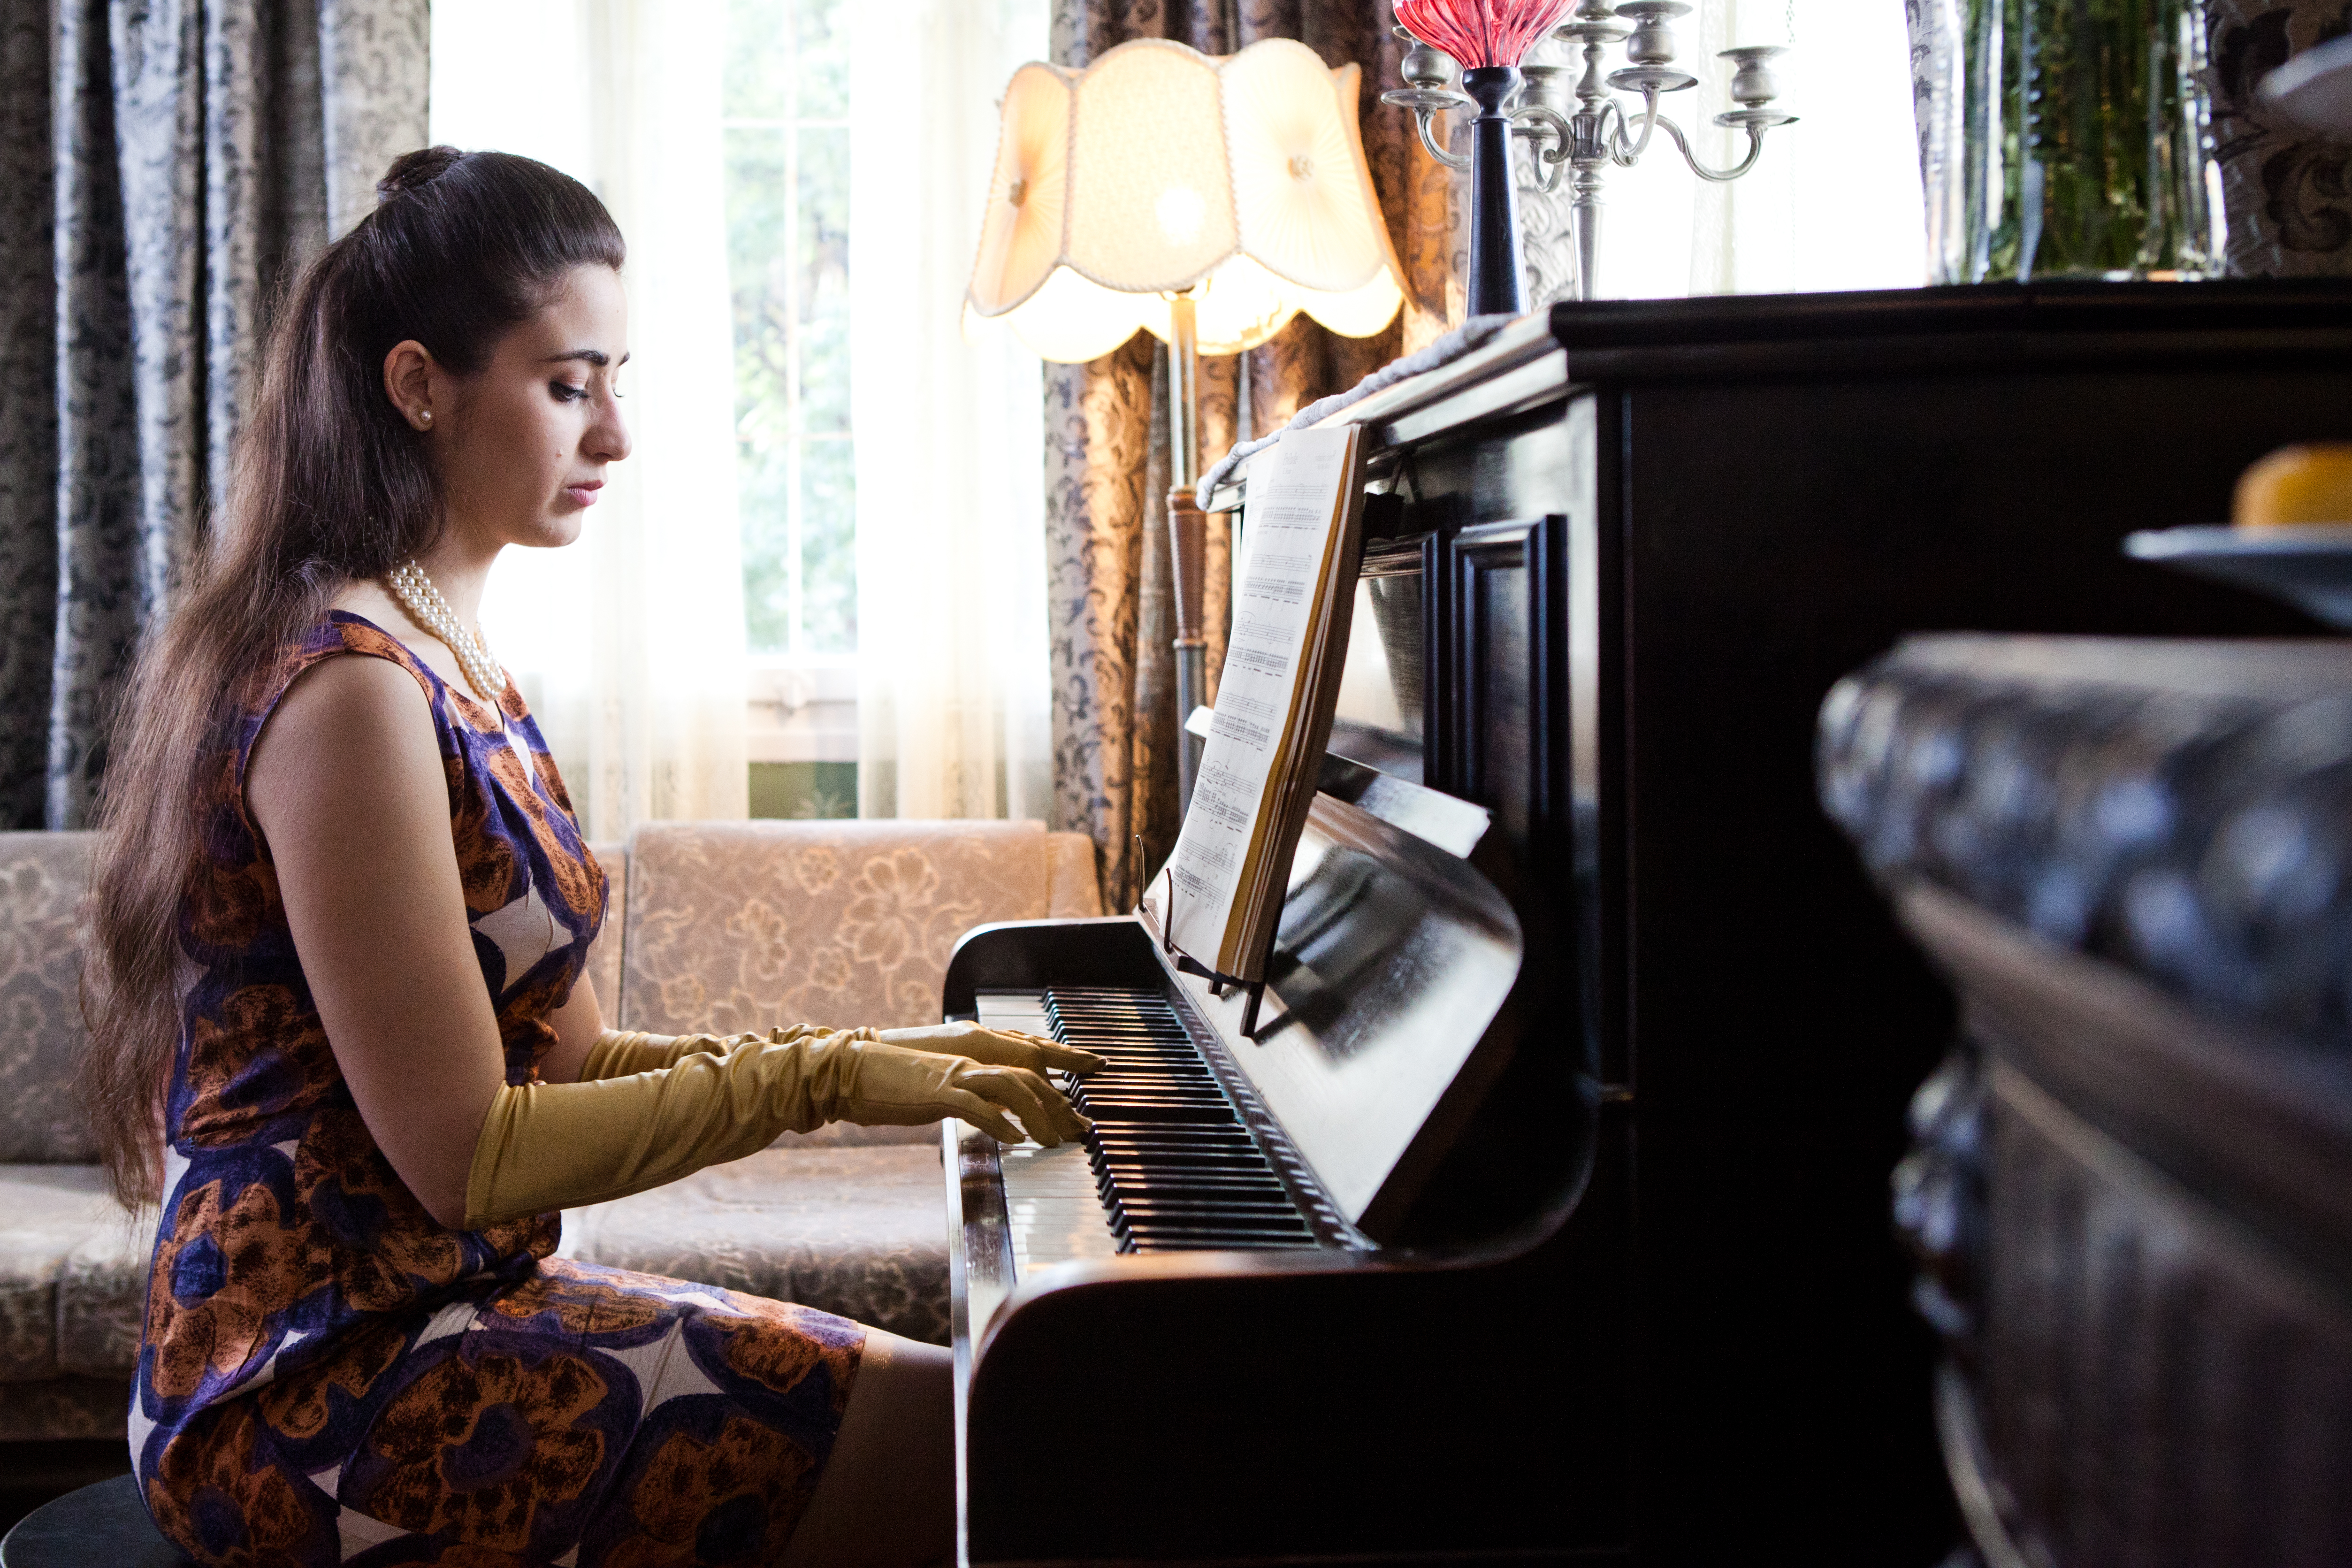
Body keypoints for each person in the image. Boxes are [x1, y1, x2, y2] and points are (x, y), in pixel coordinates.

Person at [78, 146, 1096, 1568]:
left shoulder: (456, 660)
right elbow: (470, 1156)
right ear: (421, 384)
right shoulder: (347, 686)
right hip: (312, 1390)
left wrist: (870, 1051)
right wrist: (819, 1081)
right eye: (570, 387)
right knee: (1014, 1452)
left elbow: (558, 1071)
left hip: (449, 1315)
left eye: (620, 382)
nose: (614, 437)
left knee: (1002, 1409)